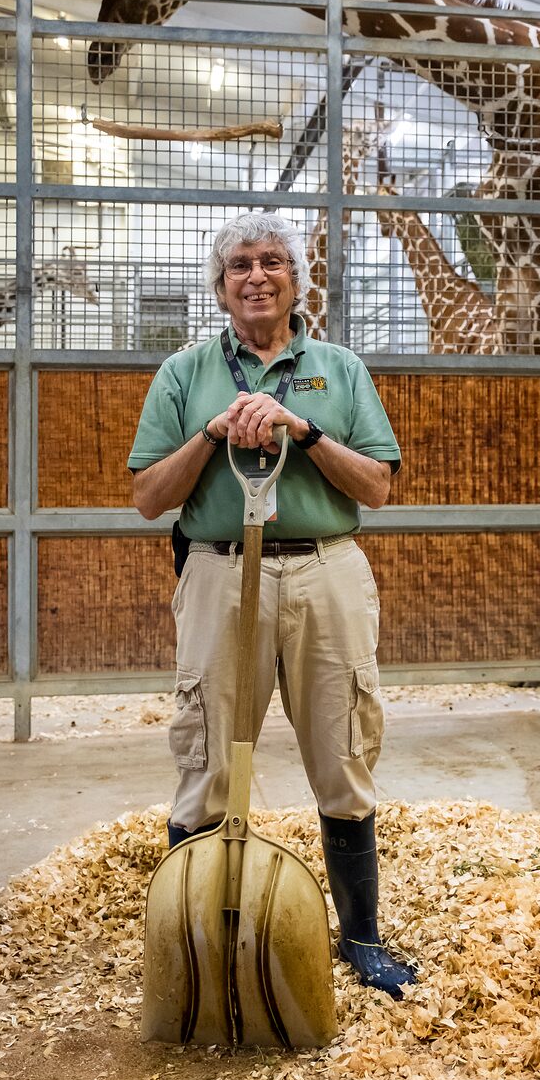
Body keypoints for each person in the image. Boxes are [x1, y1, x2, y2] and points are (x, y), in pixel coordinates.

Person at [128, 211, 416, 999]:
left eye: (272, 262)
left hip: (326, 572)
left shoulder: (338, 368)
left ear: (297, 279)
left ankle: (361, 937)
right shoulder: (184, 374)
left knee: (343, 753)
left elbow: (380, 488)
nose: (256, 275)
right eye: (239, 266)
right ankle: (196, 940)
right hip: (221, 574)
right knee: (208, 761)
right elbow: (151, 497)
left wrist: (304, 428)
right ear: (220, 287)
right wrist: (212, 433)